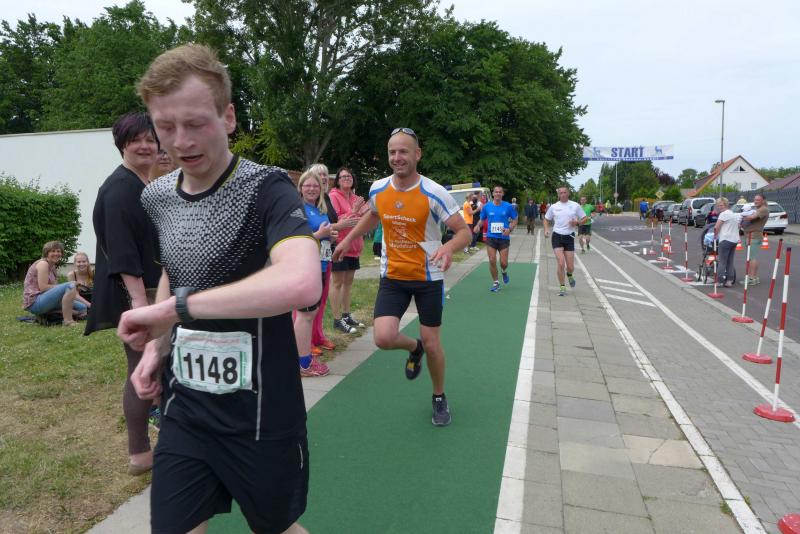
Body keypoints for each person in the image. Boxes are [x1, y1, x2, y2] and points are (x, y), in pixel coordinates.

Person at [119, 44, 319, 533]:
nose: (180, 141)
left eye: (195, 123)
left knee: (278, 528)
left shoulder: (267, 187)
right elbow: (176, 271)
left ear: (228, 117)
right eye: (165, 127)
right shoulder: (158, 196)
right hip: (186, 408)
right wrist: (155, 350)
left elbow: (301, 280)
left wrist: (175, 311)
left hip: (261, 413)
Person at [333, 127, 471, 426]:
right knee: (383, 338)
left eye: (404, 151)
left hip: (427, 277)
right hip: (393, 276)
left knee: (433, 343)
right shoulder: (379, 188)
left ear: (417, 154)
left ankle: (438, 396)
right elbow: (373, 214)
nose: (397, 157)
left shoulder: (433, 192)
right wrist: (348, 238)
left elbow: (464, 232)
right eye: (392, 152)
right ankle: (413, 347)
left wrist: (448, 247)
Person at [83, 112, 162, 476]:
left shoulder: (143, 183)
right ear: (121, 145)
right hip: (137, 294)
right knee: (141, 368)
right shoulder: (119, 189)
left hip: (151, 292)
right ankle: (140, 453)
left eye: (150, 139)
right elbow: (123, 253)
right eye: (136, 140)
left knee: (156, 366)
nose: (145, 146)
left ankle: (158, 445)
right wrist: (140, 307)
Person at [294, 169, 334, 377]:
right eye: (307, 185)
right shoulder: (297, 209)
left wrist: (330, 237)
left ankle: (303, 358)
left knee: (310, 313)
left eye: (315, 185)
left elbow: (322, 235)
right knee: (305, 314)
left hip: (321, 264)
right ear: (300, 188)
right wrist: (320, 234)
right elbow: (293, 238)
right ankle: (303, 364)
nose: (311, 189)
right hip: (306, 266)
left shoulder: (319, 208)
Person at [329, 166, 369, 334]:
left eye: (349, 176)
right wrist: (353, 212)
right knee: (337, 283)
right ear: (338, 181)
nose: (347, 178)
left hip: (354, 246)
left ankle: (346, 315)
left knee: (348, 283)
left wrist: (364, 213)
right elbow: (335, 221)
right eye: (343, 176)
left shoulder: (356, 198)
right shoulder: (333, 196)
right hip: (340, 245)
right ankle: (337, 319)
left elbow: (365, 219)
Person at [308, 163, 340, 353]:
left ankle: (318, 335)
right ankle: (306, 340)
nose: (323, 178)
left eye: (325, 175)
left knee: (322, 299)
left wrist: (331, 236)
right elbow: (298, 235)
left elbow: (329, 226)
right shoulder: (301, 206)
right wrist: (321, 235)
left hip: (325, 257)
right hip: (309, 260)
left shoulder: (323, 202)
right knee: (307, 303)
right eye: (318, 175)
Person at [22, 241, 87, 325]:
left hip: (47, 299)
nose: (56, 253)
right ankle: (68, 321)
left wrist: (89, 305)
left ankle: (49, 313)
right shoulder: (43, 264)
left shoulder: (52, 266)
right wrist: (66, 286)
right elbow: (43, 287)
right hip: (35, 302)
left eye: (58, 251)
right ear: (46, 253)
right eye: (52, 251)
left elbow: (55, 289)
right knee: (71, 284)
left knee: (82, 308)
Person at [543, 187, 587, 296]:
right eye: (561, 193)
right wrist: (546, 229)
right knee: (561, 263)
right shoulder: (554, 207)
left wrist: (577, 223)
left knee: (570, 267)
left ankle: (569, 274)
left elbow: (585, 218)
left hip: (569, 237)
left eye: (565, 192)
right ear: (558, 195)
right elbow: (546, 219)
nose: (563, 194)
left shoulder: (575, 205)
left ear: (568, 194)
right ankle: (562, 287)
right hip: (557, 236)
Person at [475, 185, 518, 292]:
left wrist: (510, 229)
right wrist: (477, 226)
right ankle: (496, 282)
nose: (498, 193)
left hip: (504, 238)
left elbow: (515, 219)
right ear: (493, 194)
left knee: (504, 263)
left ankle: (503, 271)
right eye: (496, 192)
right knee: (492, 259)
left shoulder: (508, 206)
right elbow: (482, 219)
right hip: (491, 237)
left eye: (500, 192)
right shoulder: (487, 206)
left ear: (502, 194)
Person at [741, 193, 770, 285]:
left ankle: (752, 278)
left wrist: (741, 216)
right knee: (751, 258)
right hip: (750, 235)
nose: (755, 201)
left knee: (752, 258)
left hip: (753, 236)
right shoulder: (759, 209)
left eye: (758, 200)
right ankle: (754, 277)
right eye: (755, 200)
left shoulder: (763, 209)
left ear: (763, 201)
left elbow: (752, 217)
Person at [714, 197, 740, 287]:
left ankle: (719, 281)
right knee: (730, 261)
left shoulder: (723, 214)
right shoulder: (733, 214)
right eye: (718, 205)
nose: (719, 207)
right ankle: (729, 281)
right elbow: (738, 226)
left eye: (721, 205)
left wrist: (715, 236)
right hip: (734, 240)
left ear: (726, 205)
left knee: (722, 261)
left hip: (725, 239)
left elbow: (716, 227)